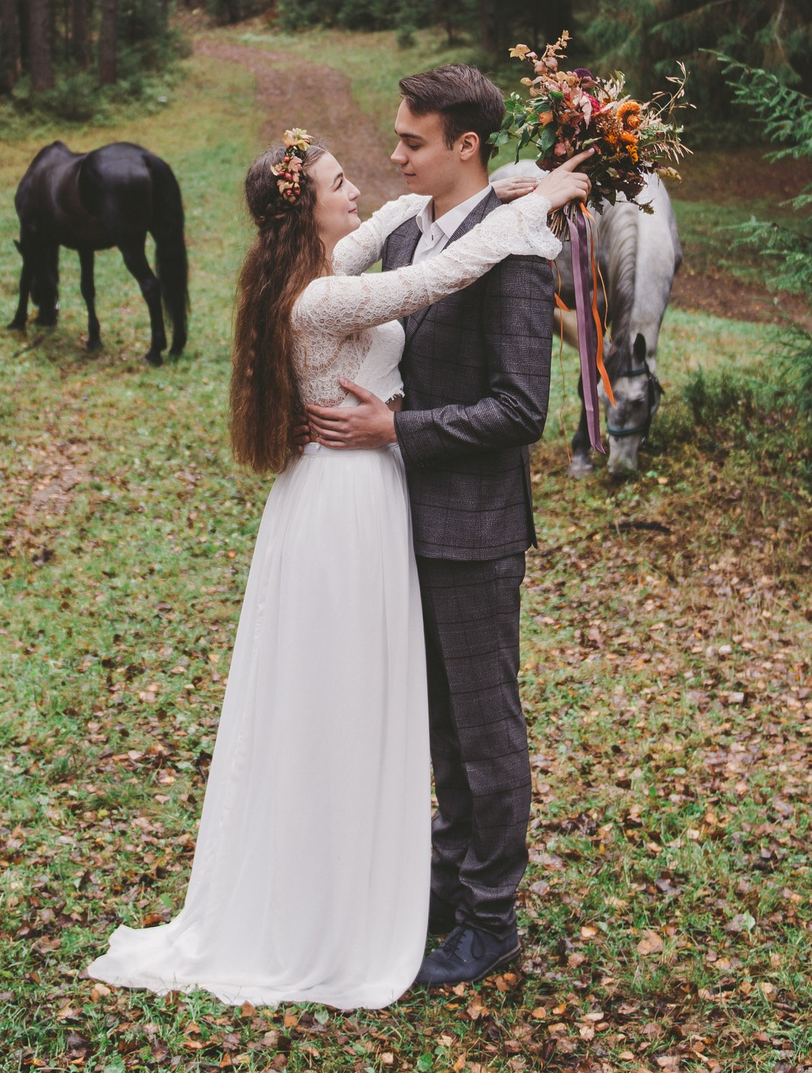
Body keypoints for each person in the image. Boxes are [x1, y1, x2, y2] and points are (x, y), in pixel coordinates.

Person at [86, 127, 591, 1008]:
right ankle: (341, 895)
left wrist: (501, 182)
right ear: (306, 206)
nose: (357, 186)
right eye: (335, 181)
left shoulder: (309, 267)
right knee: (348, 692)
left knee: (360, 689)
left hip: (348, 495)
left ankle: (384, 873)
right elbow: (437, 276)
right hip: (348, 503)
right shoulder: (319, 301)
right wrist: (536, 210)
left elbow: (403, 217)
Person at [302, 64, 554, 987]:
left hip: (475, 526)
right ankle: (445, 891)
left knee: (486, 726)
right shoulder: (408, 229)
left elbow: (523, 406)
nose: (395, 152)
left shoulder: (519, 244)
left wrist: (395, 427)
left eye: (412, 140)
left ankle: (493, 919)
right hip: (399, 521)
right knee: (438, 724)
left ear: (466, 146)